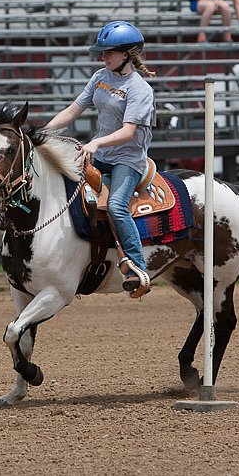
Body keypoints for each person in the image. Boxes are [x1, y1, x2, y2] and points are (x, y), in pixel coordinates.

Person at [44, 21, 156, 296]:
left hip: (127, 160)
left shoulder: (139, 89)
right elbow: (73, 110)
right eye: (102, 53)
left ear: (126, 54)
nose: (103, 57)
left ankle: (138, 267)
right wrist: (42, 134)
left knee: (117, 205)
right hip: (100, 153)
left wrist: (95, 142)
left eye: (108, 53)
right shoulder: (100, 77)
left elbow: (129, 132)